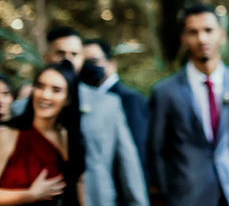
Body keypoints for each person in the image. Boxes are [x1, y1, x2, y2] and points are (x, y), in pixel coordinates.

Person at [147, 5, 229, 206]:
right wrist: (169, 191)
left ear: (222, 35)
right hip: (188, 196)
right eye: (193, 32)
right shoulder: (165, 92)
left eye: (208, 30)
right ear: (183, 39)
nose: (202, 39)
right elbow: (156, 149)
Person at [41, 28, 147, 206]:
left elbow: (128, 164)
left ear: (81, 59)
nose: (67, 60)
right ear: (46, 56)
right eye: (60, 53)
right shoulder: (22, 108)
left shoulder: (107, 104)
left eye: (74, 54)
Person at [0, 63, 84, 206]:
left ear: (68, 99)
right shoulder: (8, 134)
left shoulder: (69, 136)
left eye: (56, 90)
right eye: (40, 86)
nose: (45, 95)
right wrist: (30, 195)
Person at [80, 40, 149, 191]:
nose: (88, 67)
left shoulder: (129, 99)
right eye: (83, 62)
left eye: (93, 61)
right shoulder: (83, 99)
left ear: (111, 63)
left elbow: (137, 153)